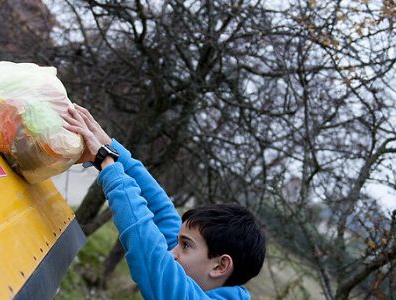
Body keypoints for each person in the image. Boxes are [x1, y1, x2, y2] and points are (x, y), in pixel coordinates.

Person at [62, 104, 267, 299]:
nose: (171, 252)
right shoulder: (198, 274)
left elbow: (149, 254)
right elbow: (159, 208)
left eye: (185, 245)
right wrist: (111, 148)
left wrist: (106, 163)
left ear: (220, 266)